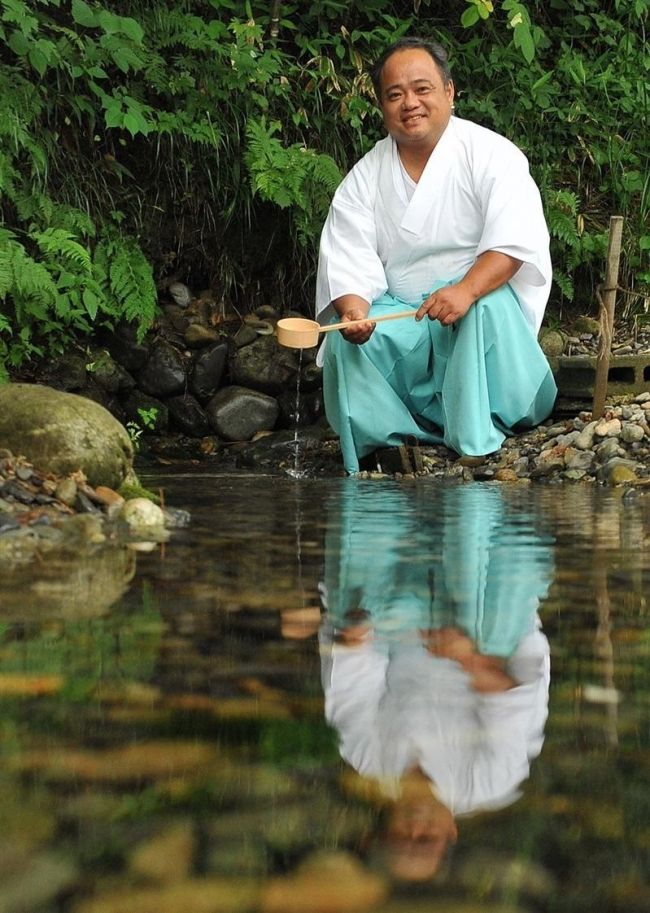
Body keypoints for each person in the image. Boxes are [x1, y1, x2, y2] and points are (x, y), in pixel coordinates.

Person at [315, 36, 558, 474]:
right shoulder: (364, 177)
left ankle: (475, 434)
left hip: (479, 306)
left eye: (422, 88)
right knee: (341, 338)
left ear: (449, 91)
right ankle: (393, 435)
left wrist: (465, 289)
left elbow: (513, 242)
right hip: (406, 319)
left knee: (481, 309)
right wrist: (355, 312)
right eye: (395, 94)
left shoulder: (492, 155)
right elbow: (347, 257)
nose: (410, 102)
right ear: (381, 105)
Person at [318, 484, 554, 882]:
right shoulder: (491, 784)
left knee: (347, 609)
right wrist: (465, 655)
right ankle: (502, 509)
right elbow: (516, 695)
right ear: (450, 832)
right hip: (484, 629)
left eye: (401, 838)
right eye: (425, 840)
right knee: (495, 630)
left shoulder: (367, 762)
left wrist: (359, 630)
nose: (415, 829)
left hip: (401, 619)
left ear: (385, 825)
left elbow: (352, 675)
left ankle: (374, 497)